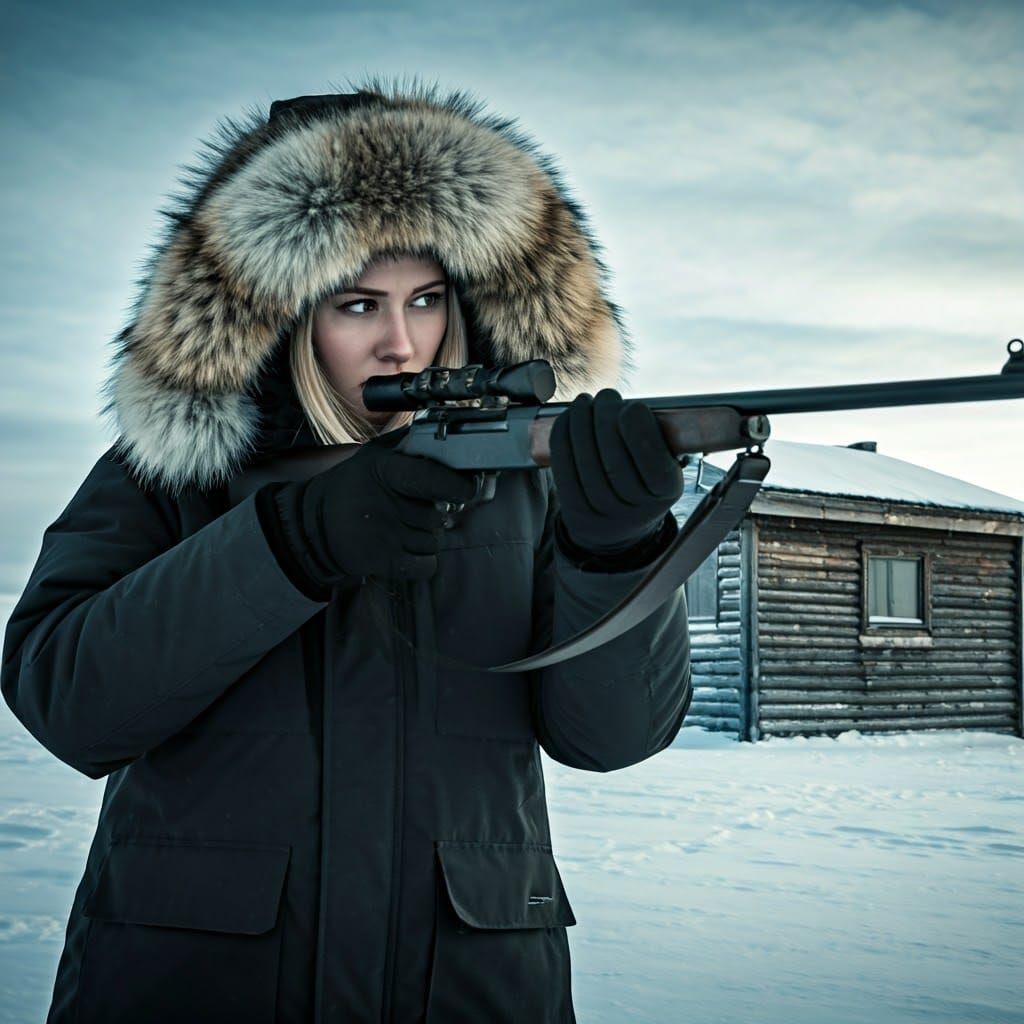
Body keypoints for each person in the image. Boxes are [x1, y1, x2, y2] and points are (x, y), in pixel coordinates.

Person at [1, 84, 692, 1023]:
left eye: (426, 299)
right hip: (195, 985)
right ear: (282, 313)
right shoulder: (174, 470)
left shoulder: (529, 482)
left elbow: (610, 738)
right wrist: (291, 543)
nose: (402, 342)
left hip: (471, 988)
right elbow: (65, 697)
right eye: (359, 304)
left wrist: (619, 549)